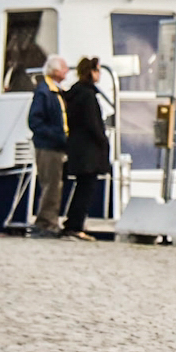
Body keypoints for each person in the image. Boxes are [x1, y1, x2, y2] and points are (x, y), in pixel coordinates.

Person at [63, 57, 111, 242]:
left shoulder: (74, 93)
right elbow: (92, 123)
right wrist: (103, 141)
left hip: (77, 147)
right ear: (91, 72)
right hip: (89, 151)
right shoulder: (88, 95)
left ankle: (72, 223)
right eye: (97, 71)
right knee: (86, 189)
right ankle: (75, 226)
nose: (99, 75)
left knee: (81, 187)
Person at [26, 54, 71, 237]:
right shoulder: (44, 92)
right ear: (55, 71)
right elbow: (35, 121)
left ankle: (49, 220)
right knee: (51, 185)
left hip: (57, 146)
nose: (67, 71)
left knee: (54, 184)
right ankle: (46, 222)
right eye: (64, 68)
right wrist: (57, 136)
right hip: (49, 146)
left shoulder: (55, 91)